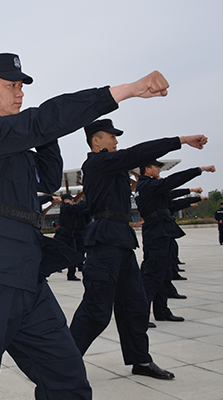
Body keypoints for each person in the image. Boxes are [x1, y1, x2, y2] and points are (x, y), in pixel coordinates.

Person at [0, 52, 172, 400]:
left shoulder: (14, 145)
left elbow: (47, 176)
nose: (20, 93)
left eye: (21, 87)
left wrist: (46, 135)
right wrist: (126, 90)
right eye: (11, 86)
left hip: (28, 279)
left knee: (67, 378)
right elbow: (41, 121)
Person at [70, 118, 208, 380]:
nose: (116, 141)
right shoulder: (98, 163)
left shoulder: (113, 168)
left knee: (134, 305)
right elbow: (137, 153)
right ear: (96, 140)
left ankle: (140, 360)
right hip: (104, 243)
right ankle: (61, 362)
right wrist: (180, 140)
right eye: (112, 137)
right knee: (97, 309)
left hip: (122, 241)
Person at [136, 160, 215, 325]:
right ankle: (138, 316)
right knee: (152, 275)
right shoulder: (147, 186)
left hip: (160, 231)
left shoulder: (152, 187)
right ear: (147, 169)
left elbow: (172, 198)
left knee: (163, 273)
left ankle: (162, 311)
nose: (159, 169)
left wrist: (195, 197)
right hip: (156, 232)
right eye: (156, 166)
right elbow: (173, 182)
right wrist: (199, 169)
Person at [54, 193, 86, 281]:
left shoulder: (71, 209)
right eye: (71, 200)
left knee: (73, 254)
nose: (72, 202)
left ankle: (71, 274)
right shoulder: (65, 207)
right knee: (56, 253)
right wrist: (83, 202)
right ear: (66, 200)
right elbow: (77, 207)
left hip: (70, 235)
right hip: (62, 235)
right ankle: (43, 273)